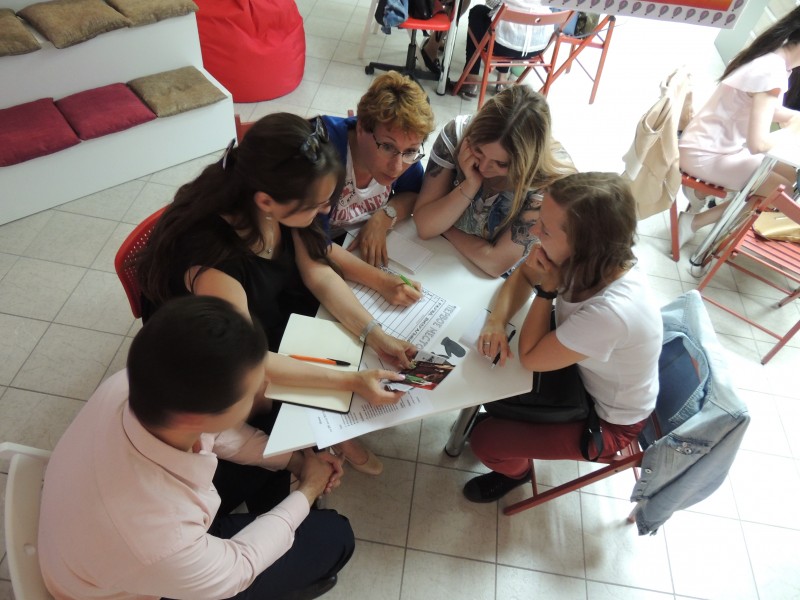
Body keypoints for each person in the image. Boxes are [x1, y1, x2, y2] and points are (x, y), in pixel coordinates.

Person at [136, 113, 415, 476]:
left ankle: (326, 415)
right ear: (266, 202)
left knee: (336, 332)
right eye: (316, 206)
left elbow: (317, 271)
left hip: (263, 314)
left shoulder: (283, 200)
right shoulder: (214, 264)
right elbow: (249, 361)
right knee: (277, 391)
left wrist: (375, 334)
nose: (326, 211)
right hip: (220, 351)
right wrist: (351, 382)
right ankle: (323, 426)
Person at [39, 295, 355, 599]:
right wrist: (309, 489)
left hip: (105, 534)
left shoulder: (133, 383)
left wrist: (295, 462)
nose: (261, 391)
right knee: (336, 536)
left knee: (271, 449)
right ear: (196, 418)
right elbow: (240, 568)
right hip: (131, 584)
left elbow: (218, 435)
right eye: (252, 391)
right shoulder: (161, 539)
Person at [461, 172, 663, 503]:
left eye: (546, 229)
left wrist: (547, 290)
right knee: (489, 385)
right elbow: (525, 272)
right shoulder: (596, 259)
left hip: (608, 420)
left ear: (582, 246)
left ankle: (516, 473)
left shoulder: (612, 312)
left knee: (485, 440)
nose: (535, 233)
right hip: (587, 370)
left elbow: (531, 356)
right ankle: (512, 429)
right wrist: (496, 321)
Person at [413, 86, 575, 277]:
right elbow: (424, 226)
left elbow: (495, 264)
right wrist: (470, 185)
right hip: (442, 257)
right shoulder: (457, 134)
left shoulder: (552, 182)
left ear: (526, 163)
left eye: (501, 164)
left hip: (498, 280)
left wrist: (443, 226)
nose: (483, 168)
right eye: (478, 151)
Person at [677, 6, 800, 249]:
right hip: (705, 154)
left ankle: (699, 200)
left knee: (786, 173)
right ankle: (693, 222)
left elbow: (763, 108)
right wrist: (791, 130)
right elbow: (758, 145)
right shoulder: (773, 73)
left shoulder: (770, 57)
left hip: (704, 143)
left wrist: (793, 118)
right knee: (781, 191)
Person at [319, 71, 435, 306]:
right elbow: (313, 242)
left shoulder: (403, 153)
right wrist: (382, 282)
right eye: (387, 147)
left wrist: (384, 216)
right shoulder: (323, 152)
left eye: (411, 151)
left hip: (353, 251)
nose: (397, 166)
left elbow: (414, 194)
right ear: (361, 127)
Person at [458, 0, 555, 99]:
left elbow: (491, 2)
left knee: (478, 12)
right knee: (510, 22)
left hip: (502, 46)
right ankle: (502, 80)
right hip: (536, 49)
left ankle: (472, 79)